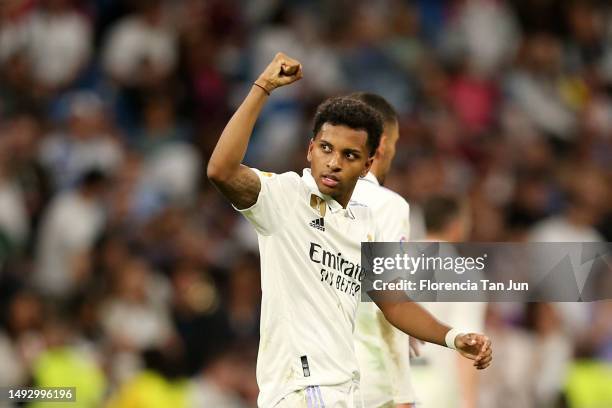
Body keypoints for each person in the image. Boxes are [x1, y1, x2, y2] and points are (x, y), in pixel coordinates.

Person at [207, 52, 492, 408]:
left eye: (349, 155)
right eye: (325, 148)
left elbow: (393, 302)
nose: (334, 162)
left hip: (347, 391)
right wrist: (262, 88)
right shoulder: (285, 198)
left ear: (368, 163)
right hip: (303, 389)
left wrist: (453, 337)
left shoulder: (365, 222)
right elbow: (221, 170)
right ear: (310, 149)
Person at [349, 92, 416, 408]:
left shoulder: (301, 198)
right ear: (383, 142)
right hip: (368, 386)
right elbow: (390, 306)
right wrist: (402, 392)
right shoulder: (386, 206)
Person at [411, 196, 487, 408]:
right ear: (456, 225)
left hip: (388, 382)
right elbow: (469, 342)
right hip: (435, 388)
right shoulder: (465, 273)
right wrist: (469, 402)